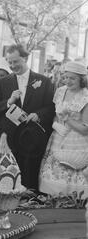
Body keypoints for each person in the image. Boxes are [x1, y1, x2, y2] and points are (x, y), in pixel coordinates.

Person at [0, 44, 55, 192]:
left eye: (15, 61)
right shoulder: (2, 82)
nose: (12, 65)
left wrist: (38, 115)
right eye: (10, 62)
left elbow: (51, 107)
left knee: (29, 178)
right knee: (8, 178)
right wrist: (8, 102)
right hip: (10, 139)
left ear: (25, 58)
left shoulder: (43, 81)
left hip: (33, 139)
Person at [39, 61, 88, 197]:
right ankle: (54, 202)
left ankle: (73, 205)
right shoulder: (60, 91)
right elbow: (55, 115)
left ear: (82, 79)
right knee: (54, 173)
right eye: (66, 77)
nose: (68, 81)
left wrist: (67, 120)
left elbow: (85, 129)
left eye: (72, 78)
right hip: (58, 137)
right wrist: (56, 125)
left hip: (77, 141)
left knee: (74, 171)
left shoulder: (85, 96)